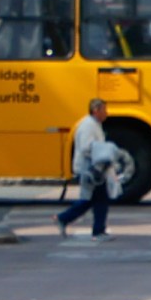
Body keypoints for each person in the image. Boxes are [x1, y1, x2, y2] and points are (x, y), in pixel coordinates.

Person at [57, 98, 114, 239]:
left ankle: (64, 218)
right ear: (96, 110)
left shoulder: (94, 124)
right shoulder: (88, 126)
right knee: (99, 200)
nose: (106, 113)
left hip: (94, 170)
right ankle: (98, 231)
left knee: (91, 200)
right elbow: (86, 147)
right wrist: (103, 153)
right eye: (104, 110)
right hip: (89, 170)